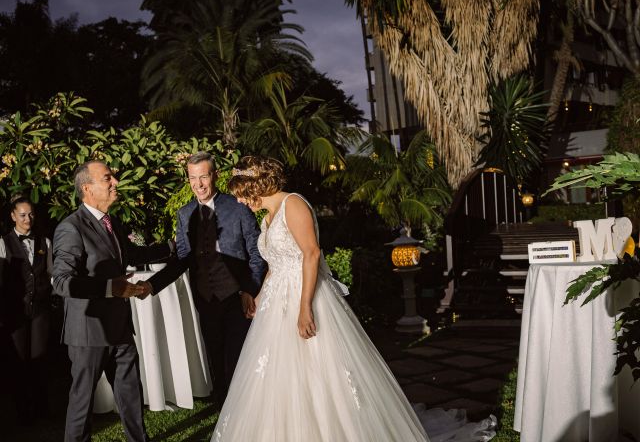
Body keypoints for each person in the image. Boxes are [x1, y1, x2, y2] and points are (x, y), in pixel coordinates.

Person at [211, 156, 497, 442]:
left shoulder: (293, 205)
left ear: (256, 185)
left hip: (305, 296)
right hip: (277, 307)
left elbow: (311, 254)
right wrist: (260, 298)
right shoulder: (267, 219)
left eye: (242, 194)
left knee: (321, 372)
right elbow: (276, 265)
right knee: (278, 377)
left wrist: (305, 307)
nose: (240, 202)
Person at [52, 160, 174, 442]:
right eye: (107, 178)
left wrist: (172, 246)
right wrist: (110, 288)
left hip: (120, 326)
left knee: (131, 392)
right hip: (88, 331)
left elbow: (133, 254)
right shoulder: (71, 228)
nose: (115, 181)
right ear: (87, 188)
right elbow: (61, 282)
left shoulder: (112, 222)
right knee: (82, 401)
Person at [146, 151, 266, 409]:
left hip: (238, 299)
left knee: (238, 359)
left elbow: (257, 252)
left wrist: (249, 289)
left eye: (203, 177)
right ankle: (226, 415)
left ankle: (248, 410)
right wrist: (152, 284)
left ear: (215, 175)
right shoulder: (184, 213)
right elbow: (182, 259)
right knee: (215, 358)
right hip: (206, 298)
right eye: (192, 178)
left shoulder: (238, 207)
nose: (198, 184)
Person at [0, 195, 53, 425]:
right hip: (15, 311)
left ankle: (42, 410)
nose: (27, 219)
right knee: (18, 362)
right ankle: (23, 412)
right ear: (13, 216)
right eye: (22, 215)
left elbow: (51, 274)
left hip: (40, 308)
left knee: (40, 359)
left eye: (30, 214)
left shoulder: (45, 242)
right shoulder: (3, 243)